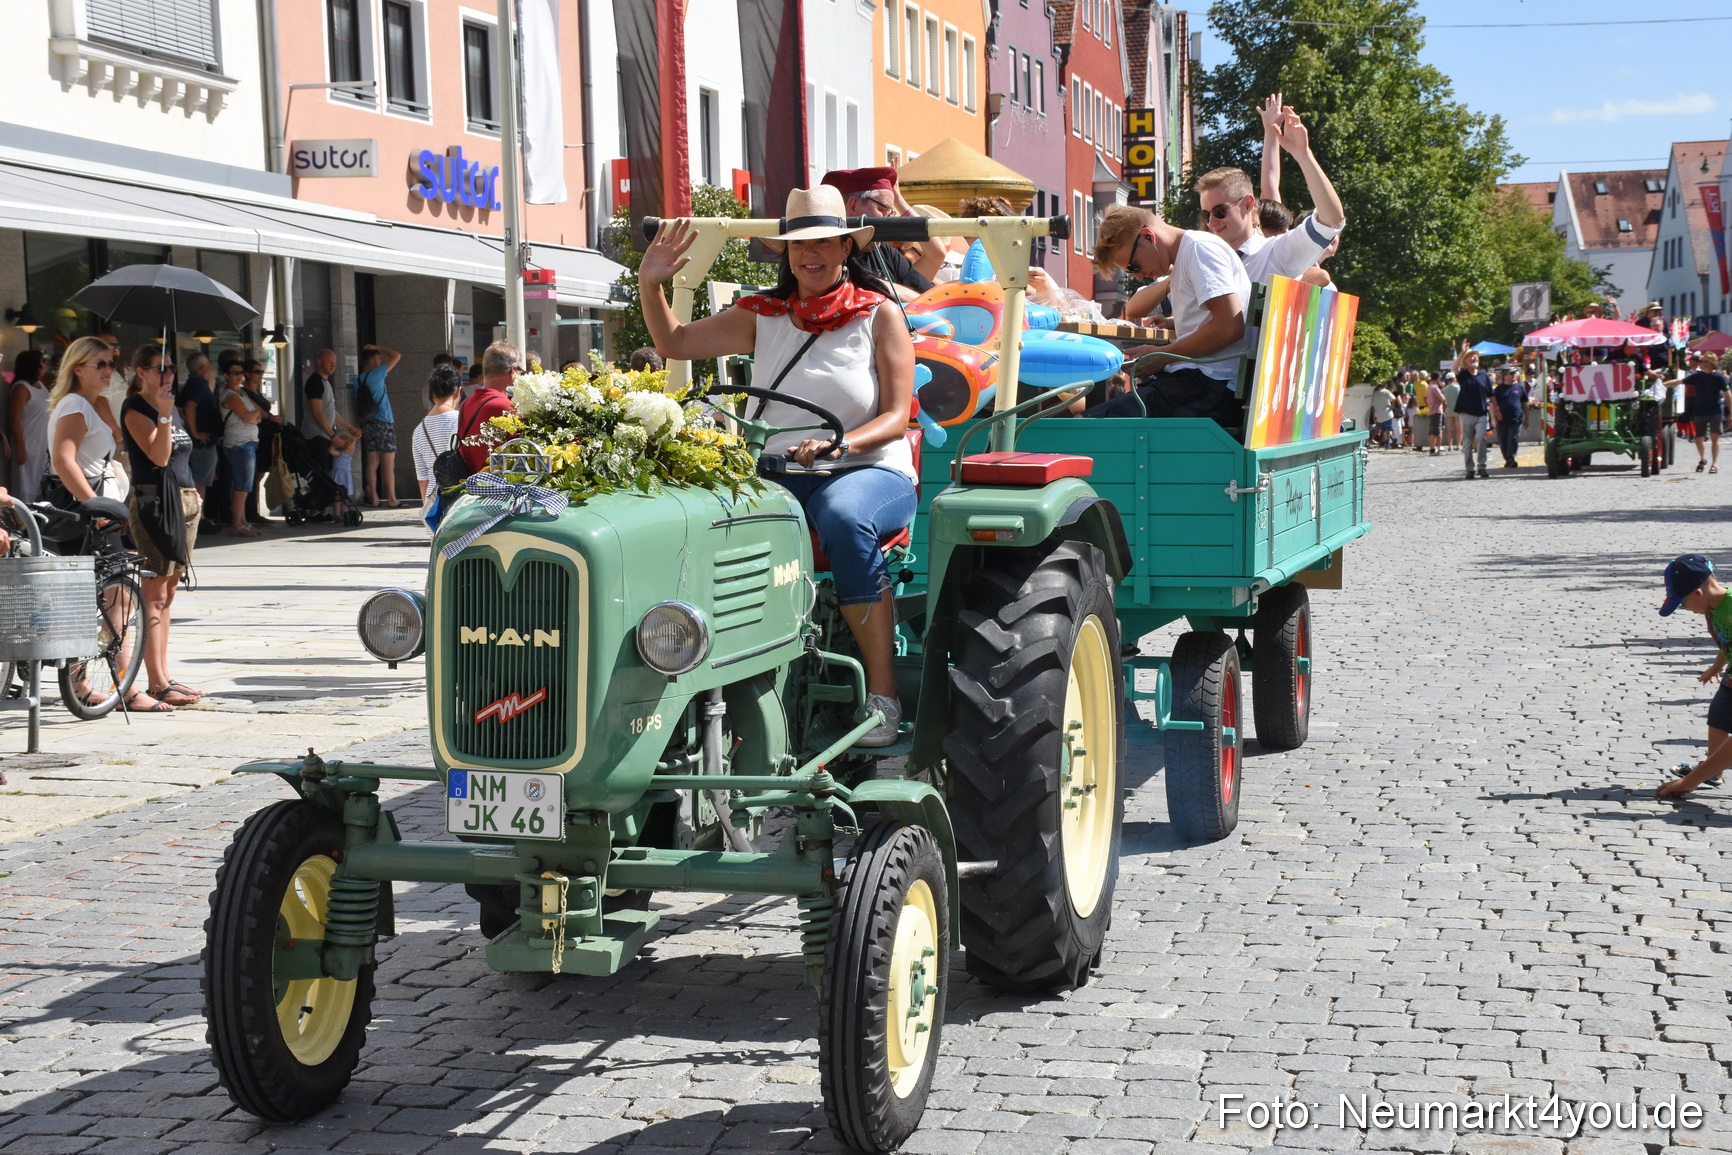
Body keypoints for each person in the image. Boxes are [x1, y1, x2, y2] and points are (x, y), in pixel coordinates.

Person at [639, 186, 916, 747]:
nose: (808, 255)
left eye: (820, 243)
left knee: (843, 515)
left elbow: (895, 417)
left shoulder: (879, 315)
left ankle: (883, 698)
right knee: (693, 518)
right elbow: (673, 340)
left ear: (845, 246)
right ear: (786, 255)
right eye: (797, 246)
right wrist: (651, 282)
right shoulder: (762, 314)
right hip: (778, 471)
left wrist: (839, 447)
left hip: (868, 470)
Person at [1083, 204, 1251, 425]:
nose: (1140, 277)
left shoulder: (1199, 249)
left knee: (1086, 426)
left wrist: (1163, 356)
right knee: (1086, 422)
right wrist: (1160, 356)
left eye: (1134, 267)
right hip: (1205, 383)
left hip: (1213, 388)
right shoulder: (1189, 253)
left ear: (1147, 236)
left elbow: (1230, 326)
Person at [119, 345, 203, 712]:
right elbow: (158, 456)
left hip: (183, 501)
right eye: (159, 369)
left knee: (169, 593)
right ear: (141, 372)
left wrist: (195, 493)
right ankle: (155, 682)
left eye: (171, 368)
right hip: (155, 503)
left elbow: (182, 457)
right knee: (154, 594)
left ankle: (163, 676)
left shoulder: (168, 405)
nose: (167, 375)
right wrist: (166, 415)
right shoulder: (137, 408)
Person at [1197, 98, 1345, 286]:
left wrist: (1303, 155)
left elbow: (1331, 220)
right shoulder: (1205, 259)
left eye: (1219, 211)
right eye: (1205, 215)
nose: (1211, 222)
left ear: (1249, 205)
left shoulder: (1276, 253)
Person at [1657, 555, 1732, 798]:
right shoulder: (1712, 609)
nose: (1686, 610)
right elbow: (1726, 644)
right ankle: (1713, 769)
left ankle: (1703, 773)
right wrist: (1716, 667)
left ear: (1697, 593)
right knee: (1719, 715)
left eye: (1683, 604)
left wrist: (1687, 782)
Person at [820, 167, 940, 301]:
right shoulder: (829, 252)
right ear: (853, 206)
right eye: (882, 209)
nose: (889, 219)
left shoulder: (887, 253)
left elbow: (928, 297)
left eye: (891, 213)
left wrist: (899, 200)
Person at [300, 348, 359, 520]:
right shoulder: (315, 383)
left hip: (324, 436)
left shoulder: (326, 383)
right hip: (315, 436)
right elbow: (317, 412)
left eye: (334, 363)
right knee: (319, 473)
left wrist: (349, 428)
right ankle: (316, 510)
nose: (333, 366)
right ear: (319, 361)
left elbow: (331, 412)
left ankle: (322, 508)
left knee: (325, 472)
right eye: (329, 362)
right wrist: (333, 436)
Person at [455, 342, 521, 475]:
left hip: (470, 487)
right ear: (513, 371)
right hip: (500, 488)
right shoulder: (505, 407)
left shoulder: (465, 404)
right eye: (520, 370)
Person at [217, 361, 263, 536]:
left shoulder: (241, 393)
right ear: (226, 375)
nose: (239, 376)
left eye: (241, 372)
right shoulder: (231, 396)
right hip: (239, 444)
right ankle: (236, 523)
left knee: (246, 483)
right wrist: (254, 416)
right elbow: (250, 417)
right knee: (242, 483)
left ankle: (243, 521)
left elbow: (257, 414)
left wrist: (255, 416)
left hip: (247, 442)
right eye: (234, 373)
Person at [356, 343, 401, 507]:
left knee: (372, 463)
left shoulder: (358, 380)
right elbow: (396, 355)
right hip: (384, 421)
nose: (380, 362)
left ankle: (374, 497)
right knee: (388, 463)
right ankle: (391, 498)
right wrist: (378, 348)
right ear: (372, 361)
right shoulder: (378, 374)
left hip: (368, 423)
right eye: (377, 359)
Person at [178, 353, 223, 515]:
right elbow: (189, 408)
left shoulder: (193, 384)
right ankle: (198, 517)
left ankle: (197, 515)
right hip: (201, 443)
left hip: (200, 441)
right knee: (199, 482)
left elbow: (181, 409)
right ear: (204, 367)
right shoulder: (198, 385)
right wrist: (195, 433)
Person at [412, 363, 463, 501]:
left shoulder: (418, 430)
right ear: (458, 391)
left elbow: (422, 479)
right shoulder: (460, 420)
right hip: (458, 498)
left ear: (432, 394)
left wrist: (426, 510)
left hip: (433, 500)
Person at [7, 350, 51, 503]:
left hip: (42, 444)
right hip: (28, 443)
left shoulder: (41, 385)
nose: (45, 364)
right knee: (26, 484)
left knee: (40, 482)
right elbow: (13, 417)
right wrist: (20, 447)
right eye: (42, 361)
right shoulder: (22, 387)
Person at [241, 360, 282, 524]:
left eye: (261, 371)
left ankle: (254, 509)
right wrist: (270, 417)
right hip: (255, 435)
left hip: (264, 436)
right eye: (257, 372)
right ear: (248, 374)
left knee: (259, 474)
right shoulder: (244, 393)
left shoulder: (257, 392)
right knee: (252, 475)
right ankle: (250, 511)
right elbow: (256, 410)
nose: (260, 375)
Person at [1452, 344, 1493, 479]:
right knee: (1468, 442)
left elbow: (1491, 395)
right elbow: (1454, 368)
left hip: (1481, 412)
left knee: (1481, 438)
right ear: (1465, 361)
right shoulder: (1463, 375)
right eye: (1469, 357)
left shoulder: (1484, 376)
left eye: (1475, 356)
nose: (1473, 358)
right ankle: (1470, 469)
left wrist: (1495, 410)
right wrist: (1463, 352)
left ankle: (1482, 466)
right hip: (1466, 412)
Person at [1683, 353, 1727, 474]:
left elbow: (1728, 394)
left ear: (1709, 363)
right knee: (1699, 439)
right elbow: (1680, 381)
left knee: (1714, 437)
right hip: (1700, 410)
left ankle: (1714, 464)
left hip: (1715, 411)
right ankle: (1702, 459)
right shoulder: (1697, 376)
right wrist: (1662, 385)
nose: (1700, 363)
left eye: (1703, 361)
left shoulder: (1719, 377)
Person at [1491, 364, 1529, 468]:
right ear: (1505, 376)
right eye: (1511, 374)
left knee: (1513, 438)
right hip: (1502, 420)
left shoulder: (1520, 388)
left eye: (1514, 373)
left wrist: (1527, 418)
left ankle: (1511, 457)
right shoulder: (1498, 389)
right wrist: (1493, 419)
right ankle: (1508, 458)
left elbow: (1525, 404)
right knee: (1503, 441)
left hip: (1516, 419)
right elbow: (1493, 405)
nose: (1514, 375)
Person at [1370, 380, 1396, 447]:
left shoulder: (1375, 393)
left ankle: (1386, 441)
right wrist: (1392, 406)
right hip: (1387, 413)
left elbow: (1373, 406)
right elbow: (1394, 398)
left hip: (1379, 414)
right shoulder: (1386, 392)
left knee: (1382, 429)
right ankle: (1388, 443)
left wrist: (1374, 414)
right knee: (1387, 430)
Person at [1425, 372, 1446, 456]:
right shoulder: (1435, 388)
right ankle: (1439, 449)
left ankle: (1432, 449)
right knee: (1438, 431)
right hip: (1437, 410)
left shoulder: (1429, 387)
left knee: (1431, 431)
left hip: (1431, 410)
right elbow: (1442, 398)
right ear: (1438, 378)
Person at [1442, 371, 1461, 448]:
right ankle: (1458, 445)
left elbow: (1443, 400)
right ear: (1454, 379)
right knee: (1459, 430)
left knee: (1449, 430)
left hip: (1449, 410)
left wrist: (1444, 408)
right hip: (1458, 410)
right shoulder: (1458, 387)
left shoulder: (1444, 389)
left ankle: (1450, 445)